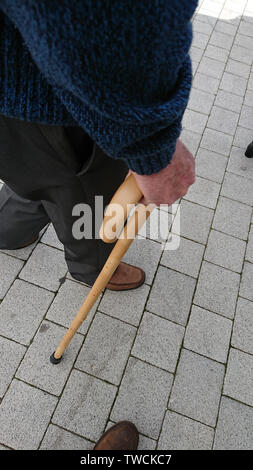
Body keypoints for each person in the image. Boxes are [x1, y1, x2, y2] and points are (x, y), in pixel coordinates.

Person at [0, 0, 196, 289]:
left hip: (17, 79)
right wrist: (152, 149)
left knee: (36, 172)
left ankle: (7, 230)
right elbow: (100, 26)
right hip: (62, 105)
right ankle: (94, 267)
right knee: (90, 197)